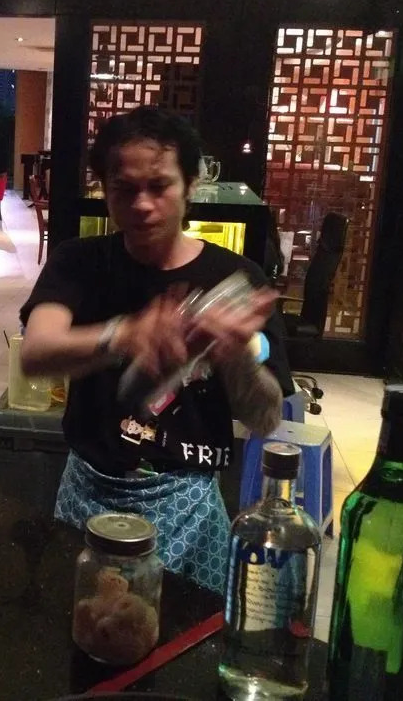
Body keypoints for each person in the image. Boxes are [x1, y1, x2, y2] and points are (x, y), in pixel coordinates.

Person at [19, 106, 293, 597]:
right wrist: (126, 335)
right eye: (124, 189)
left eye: (159, 186)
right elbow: (35, 353)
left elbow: (266, 418)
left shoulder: (236, 279)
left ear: (190, 185)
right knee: (85, 627)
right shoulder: (79, 262)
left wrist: (234, 355)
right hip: (88, 491)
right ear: (104, 190)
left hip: (188, 505)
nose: (142, 205)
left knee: (188, 638)